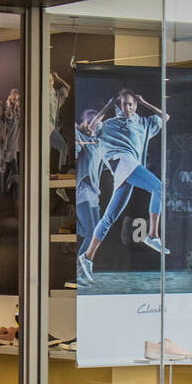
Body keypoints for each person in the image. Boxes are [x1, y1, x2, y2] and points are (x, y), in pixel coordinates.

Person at [76, 88, 168, 287]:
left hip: (127, 169)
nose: (129, 107)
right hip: (123, 163)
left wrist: (144, 102)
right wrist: (108, 106)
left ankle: (88, 256)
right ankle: (152, 235)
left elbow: (165, 116)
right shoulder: (109, 124)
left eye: (132, 104)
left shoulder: (143, 123)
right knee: (158, 187)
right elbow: (92, 128)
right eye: (125, 104)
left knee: (108, 218)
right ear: (118, 106)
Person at [73, 108, 104, 257]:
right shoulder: (79, 136)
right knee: (91, 232)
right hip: (82, 189)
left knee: (96, 234)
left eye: (95, 120)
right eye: (89, 120)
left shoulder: (97, 143)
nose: (93, 123)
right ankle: (80, 269)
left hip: (94, 191)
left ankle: (84, 266)